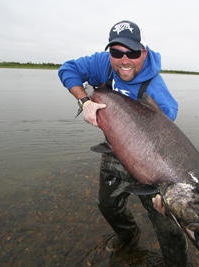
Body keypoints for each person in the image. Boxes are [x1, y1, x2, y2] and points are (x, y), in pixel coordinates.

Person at [58, 20, 189, 266]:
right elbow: (67, 69)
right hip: (115, 149)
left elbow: (166, 153)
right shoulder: (103, 64)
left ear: (144, 53)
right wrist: (84, 101)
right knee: (107, 205)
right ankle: (129, 236)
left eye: (132, 52)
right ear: (110, 53)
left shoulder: (162, 101)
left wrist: (167, 191)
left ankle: (177, 262)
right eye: (117, 52)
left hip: (149, 160)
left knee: (165, 219)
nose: (124, 59)